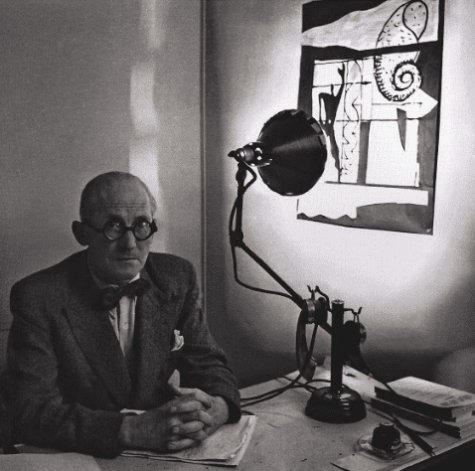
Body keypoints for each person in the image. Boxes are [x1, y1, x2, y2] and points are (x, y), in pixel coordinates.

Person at [1, 171, 241, 457]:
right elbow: (31, 412)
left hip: (163, 455)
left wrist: (219, 408)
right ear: (82, 233)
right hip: (77, 457)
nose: (130, 244)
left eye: (141, 225)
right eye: (113, 226)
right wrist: (130, 430)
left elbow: (208, 362)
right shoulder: (38, 297)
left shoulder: (177, 276)